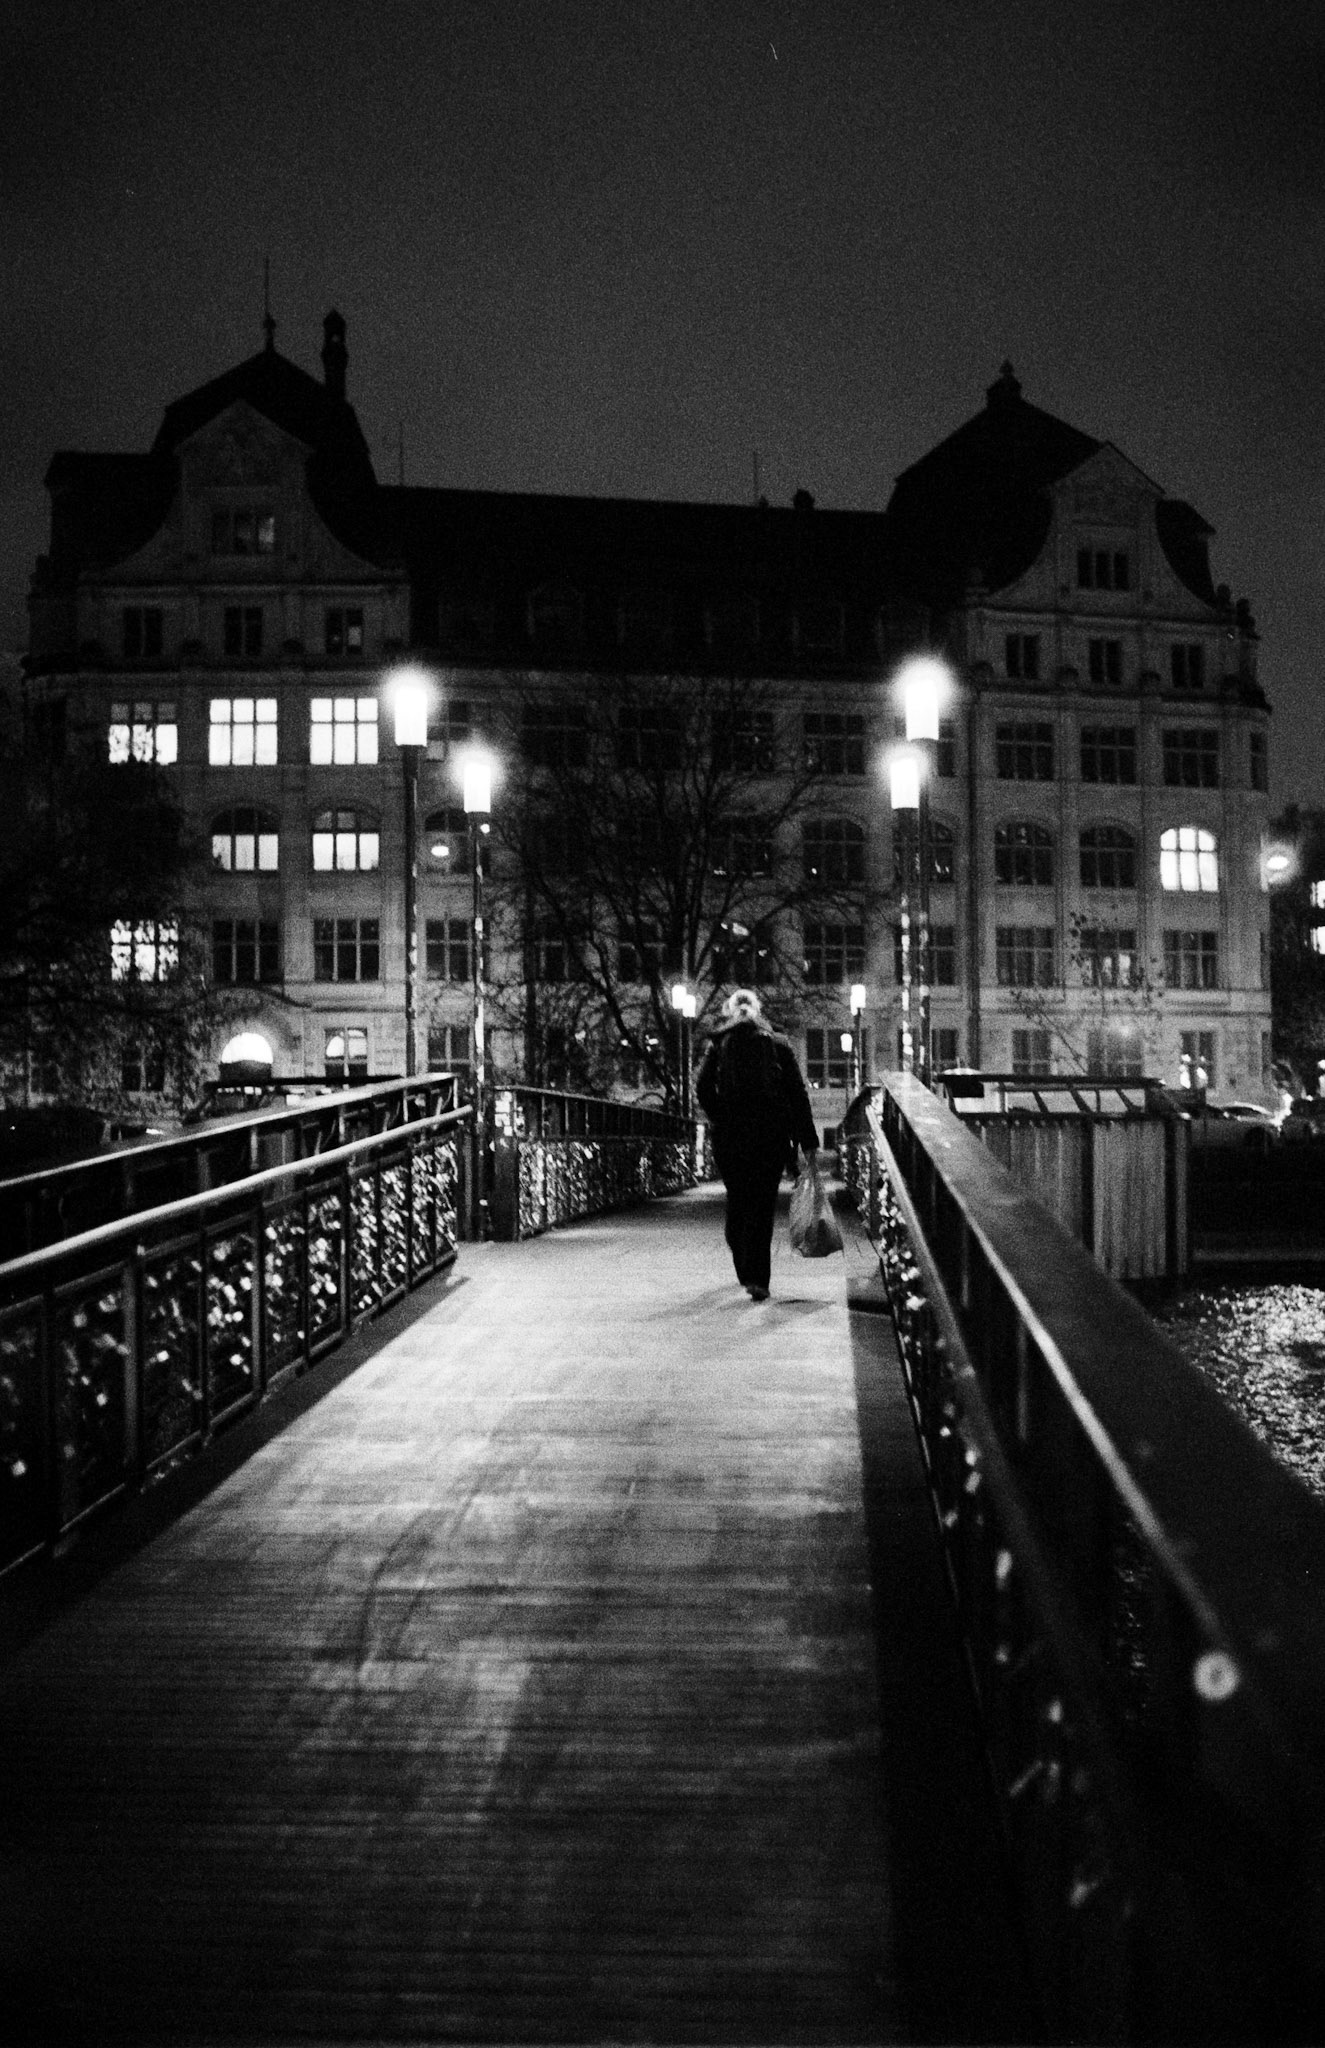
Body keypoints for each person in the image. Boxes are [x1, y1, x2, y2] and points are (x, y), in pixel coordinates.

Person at [695, 988, 820, 1301]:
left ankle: (743, 1264)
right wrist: (808, 1141)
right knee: (763, 1207)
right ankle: (759, 1280)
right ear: (758, 1011)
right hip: (770, 1136)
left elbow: (703, 1088)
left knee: (738, 1201)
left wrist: (721, 1117)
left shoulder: (718, 1044)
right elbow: (797, 1094)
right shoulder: (778, 1043)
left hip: (731, 1138)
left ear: (729, 1012)